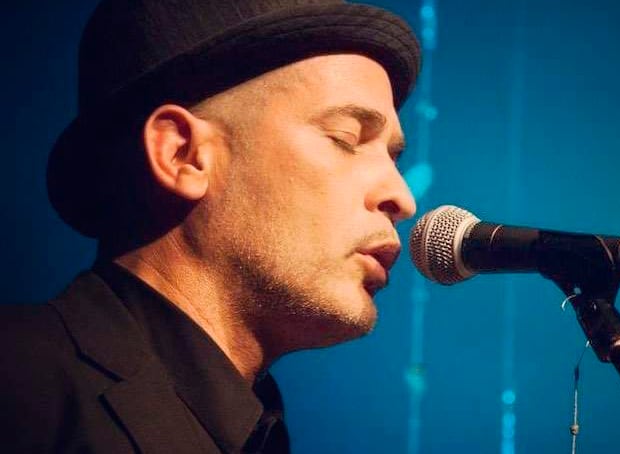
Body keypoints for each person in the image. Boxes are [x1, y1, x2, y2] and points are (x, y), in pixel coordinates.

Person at [0, 0, 420, 452]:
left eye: (393, 158)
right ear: (182, 155)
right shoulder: (20, 383)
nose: (403, 198)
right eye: (346, 138)